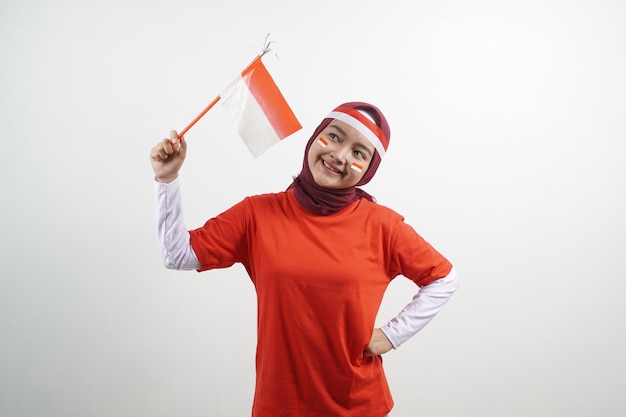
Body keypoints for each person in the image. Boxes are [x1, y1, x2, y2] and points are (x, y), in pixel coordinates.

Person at [150, 102, 459, 417]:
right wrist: (167, 180)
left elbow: (444, 278)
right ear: (314, 139)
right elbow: (179, 254)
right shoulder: (256, 215)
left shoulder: (383, 226)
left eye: (359, 153)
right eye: (335, 137)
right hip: (279, 404)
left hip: (357, 406)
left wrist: (392, 336)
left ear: (369, 170)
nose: (339, 155)